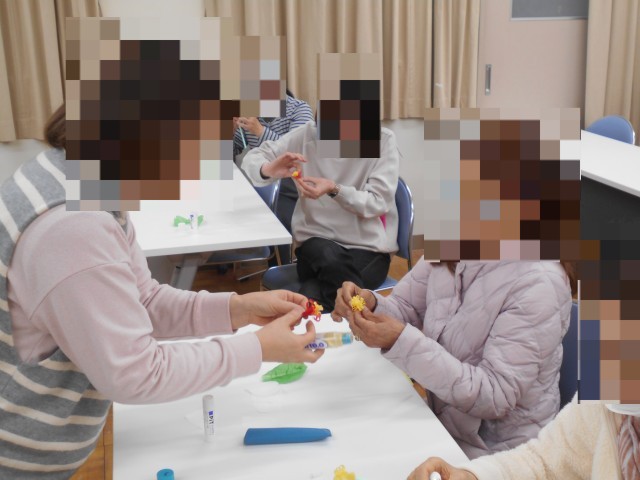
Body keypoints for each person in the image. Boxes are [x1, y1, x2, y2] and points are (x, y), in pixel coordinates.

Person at [0, 105, 323, 479]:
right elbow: (134, 373)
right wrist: (257, 349)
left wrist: (238, 309)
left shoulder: (79, 177)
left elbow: (143, 300)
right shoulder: (75, 225)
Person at [332, 259, 574, 459]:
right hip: (443, 423)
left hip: (497, 452)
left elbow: (494, 395)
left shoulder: (540, 283)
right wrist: (372, 305)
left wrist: (401, 340)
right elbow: (406, 307)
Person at [241, 122, 399, 311]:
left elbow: (378, 202)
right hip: (316, 246)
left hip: (367, 248)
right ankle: (363, 321)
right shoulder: (306, 135)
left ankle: (309, 318)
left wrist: (335, 189)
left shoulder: (382, 140)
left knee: (313, 293)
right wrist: (267, 169)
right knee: (328, 259)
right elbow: (253, 159)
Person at [407, 402, 640, 480]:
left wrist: (403, 339)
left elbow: (493, 393)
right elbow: (544, 462)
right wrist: (472, 476)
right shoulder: (607, 392)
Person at [233, 89, 314, 265]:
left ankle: (281, 267)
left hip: (296, 186)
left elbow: (298, 155)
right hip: (263, 183)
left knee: (274, 220)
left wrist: (260, 131)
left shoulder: (299, 109)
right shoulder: (250, 116)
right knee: (234, 210)